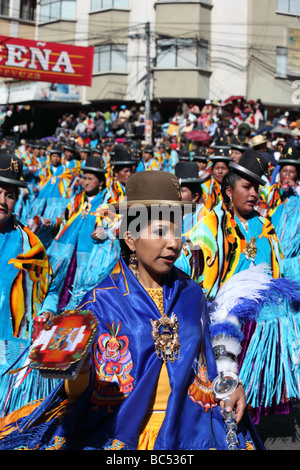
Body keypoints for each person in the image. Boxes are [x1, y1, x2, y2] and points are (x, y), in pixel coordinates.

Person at [0, 171, 263, 450]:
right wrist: (79, 370)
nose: (174, 243)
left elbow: (210, 359)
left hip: (194, 433)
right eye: (160, 231)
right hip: (124, 436)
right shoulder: (99, 303)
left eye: (176, 231)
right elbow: (76, 393)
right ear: (130, 238)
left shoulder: (193, 294)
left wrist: (231, 383)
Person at [187, 149, 300, 424]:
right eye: (246, 187)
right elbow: (195, 264)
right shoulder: (211, 224)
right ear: (228, 190)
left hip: (265, 325)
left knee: (261, 400)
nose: (253, 194)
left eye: (257, 188)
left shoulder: (265, 225)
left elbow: (279, 267)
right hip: (228, 324)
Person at [0, 151, 59, 418]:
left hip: (9, 349)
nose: (2, 201)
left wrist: (48, 310)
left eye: (10, 195)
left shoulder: (30, 244)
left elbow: (51, 288)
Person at [46, 155, 120, 311]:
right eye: (84, 178)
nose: (86, 182)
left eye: (90, 179)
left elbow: (115, 226)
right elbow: (64, 219)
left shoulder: (108, 201)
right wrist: (51, 223)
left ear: (100, 182)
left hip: (90, 254)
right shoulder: (77, 199)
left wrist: (105, 233)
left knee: (83, 291)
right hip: (70, 253)